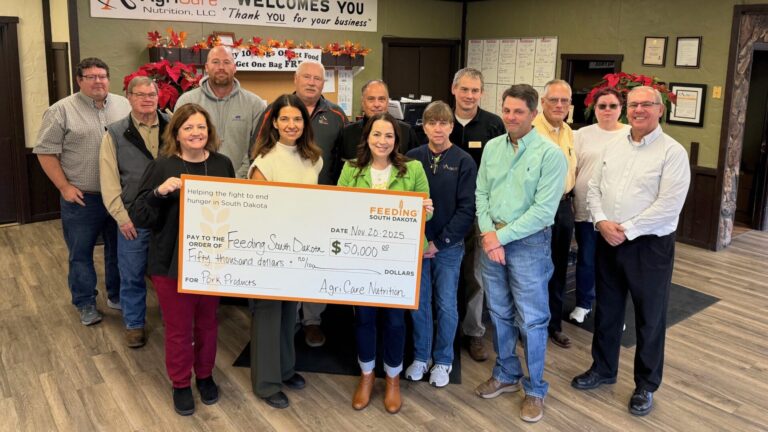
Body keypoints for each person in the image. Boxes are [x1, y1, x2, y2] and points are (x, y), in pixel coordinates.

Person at [571, 86, 691, 417]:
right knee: (607, 311)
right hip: (608, 238)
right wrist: (601, 221)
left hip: (648, 246)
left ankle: (645, 385)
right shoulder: (614, 146)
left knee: (649, 318)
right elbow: (593, 188)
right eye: (634, 104)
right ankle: (603, 369)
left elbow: (669, 206)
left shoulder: (672, 152)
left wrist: (627, 230)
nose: (639, 110)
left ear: (660, 109)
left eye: (646, 105)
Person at [131, 103, 234, 416]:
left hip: (211, 261)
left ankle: (204, 376)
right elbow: (140, 215)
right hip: (169, 263)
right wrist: (158, 193)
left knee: (207, 325)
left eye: (201, 127)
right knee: (178, 329)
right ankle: (180, 383)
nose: (196, 133)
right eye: (188, 127)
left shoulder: (222, 164)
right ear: (176, 133)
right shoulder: (162, 167)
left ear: (209, 132)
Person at [474, 84, 566, 423]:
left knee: (532, 319)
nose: (511, 117)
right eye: (507, 110)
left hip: (528, 244)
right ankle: (506, 373)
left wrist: (499, 237)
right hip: (491, 238)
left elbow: (543, 212)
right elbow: (480, 192)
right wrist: (488, 234)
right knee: (498, 312)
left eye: (519, 112)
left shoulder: (550, 154)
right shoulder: (492, 148)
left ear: (534, 113)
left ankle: (536, 388)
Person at [338, 112, 432, 414]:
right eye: (377, 134)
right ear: (367, 137)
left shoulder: (413, 169)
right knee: (364, 318)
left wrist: (426, 209)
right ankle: (367, 376)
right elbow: (337, 211)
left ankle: (392, 379)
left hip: (398, 262)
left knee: (394, 321)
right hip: (362, 260)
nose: (382, 141)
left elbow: (425, 214)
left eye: (389, 136)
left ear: (396, 140)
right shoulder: (351, 170)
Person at [34, 57, 131, 326]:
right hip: (82, 198)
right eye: (91, 76)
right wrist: (64, 187)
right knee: (81, 253)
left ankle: (116, 295)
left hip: (117, 197)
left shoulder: (123, 105)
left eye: (103, 76)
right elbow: (45, 152)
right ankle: (85, 302)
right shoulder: (61, 111)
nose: (98, 81)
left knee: (117, 250)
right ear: (79, 80)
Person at [248, 94, 321, 409]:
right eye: (285, 119)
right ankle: (266, 383)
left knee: (290, 313)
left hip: (299, 248)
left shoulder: (313, 158)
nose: (292, 125)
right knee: (267, 315)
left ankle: (285, 368)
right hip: (269, 248)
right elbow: (259, 212)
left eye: (298, 119)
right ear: (274, 123)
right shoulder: (263, 162)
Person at [405, 101, 477, 387]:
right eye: (432, 122)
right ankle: (421, 357)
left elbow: (467, 209)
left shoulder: (463, 161)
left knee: (446, 303)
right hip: (416, 246)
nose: (438, 128)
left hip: (448, 246)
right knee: (419, 304)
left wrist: (441, 241)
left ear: (451, 126)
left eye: (443, 123)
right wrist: (421, 242)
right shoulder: (411, 158)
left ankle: (444, 360)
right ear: (423, 126)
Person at [279, 60, 346, 347]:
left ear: (324, 84)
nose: (311, 82)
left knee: (316, 264)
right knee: (290, 262)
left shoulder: (337, 115)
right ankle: (289, 318)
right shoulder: (277, 110)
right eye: (306, 77)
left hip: (324, 204)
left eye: (317, 79)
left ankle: (313, 321)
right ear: (295, 79)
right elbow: (258, 150)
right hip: (285, 207)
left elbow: (346, 159)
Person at [99, 76, 170, 347]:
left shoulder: (174, 126)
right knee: (131, 273)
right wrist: (121, 216)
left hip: (169, 215)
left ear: (158, 96)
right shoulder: (115, 133)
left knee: (168, 274)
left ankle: (172, 319)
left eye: (151, 94)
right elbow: (108, 180)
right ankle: (134, 324)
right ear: (128, 97)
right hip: (133, 217)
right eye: (140, 95)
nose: (146, 99)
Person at [450, 67, 506, 362]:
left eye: (475, 90)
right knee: (445, 272)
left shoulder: (493, 125)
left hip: (479, 212)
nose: (469, 95)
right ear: (454, 89)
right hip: (444, 211)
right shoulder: (440, 120)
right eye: (465, 89)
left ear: (481, 93)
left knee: (476, 273)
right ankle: (443, 329)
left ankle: (474, 332)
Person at [569, 87, 630, 323]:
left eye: (612, 106)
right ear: (594, 109)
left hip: (617, 212)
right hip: (585, 209)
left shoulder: (630, 134)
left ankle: (613, 312)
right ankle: (583, 304)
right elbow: (573, 170)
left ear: (621, 109)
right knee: (587, 259)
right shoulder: (581, 135)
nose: (607, 110)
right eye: (602, 106)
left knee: (615, 264)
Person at [532, 79, 577, 349]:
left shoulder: (569, 131)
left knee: (559, 267)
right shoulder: (531, 131)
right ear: (542, 103)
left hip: (563, 207)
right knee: (534, 270)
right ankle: (531, 327)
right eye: (554, 100)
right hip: (538, 208)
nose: (559, 105)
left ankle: (554, 324)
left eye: (564, 101)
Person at [175, 45, 267, 178]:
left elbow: (259, 147)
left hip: (240, 184)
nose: (221, 67)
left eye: (226, 62)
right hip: (195, 183)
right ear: (206, 67)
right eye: (215, 62)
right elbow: (176, 143)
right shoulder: (187, 101)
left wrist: (236, 178)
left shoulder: (255, 104)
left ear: (235, 68)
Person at [340, 79, 420, 165]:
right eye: (371, 99)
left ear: (387, 102)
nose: (377, 104)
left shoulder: (406, 132)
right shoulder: (347, 134)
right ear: (362, 102)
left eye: (381, 99)